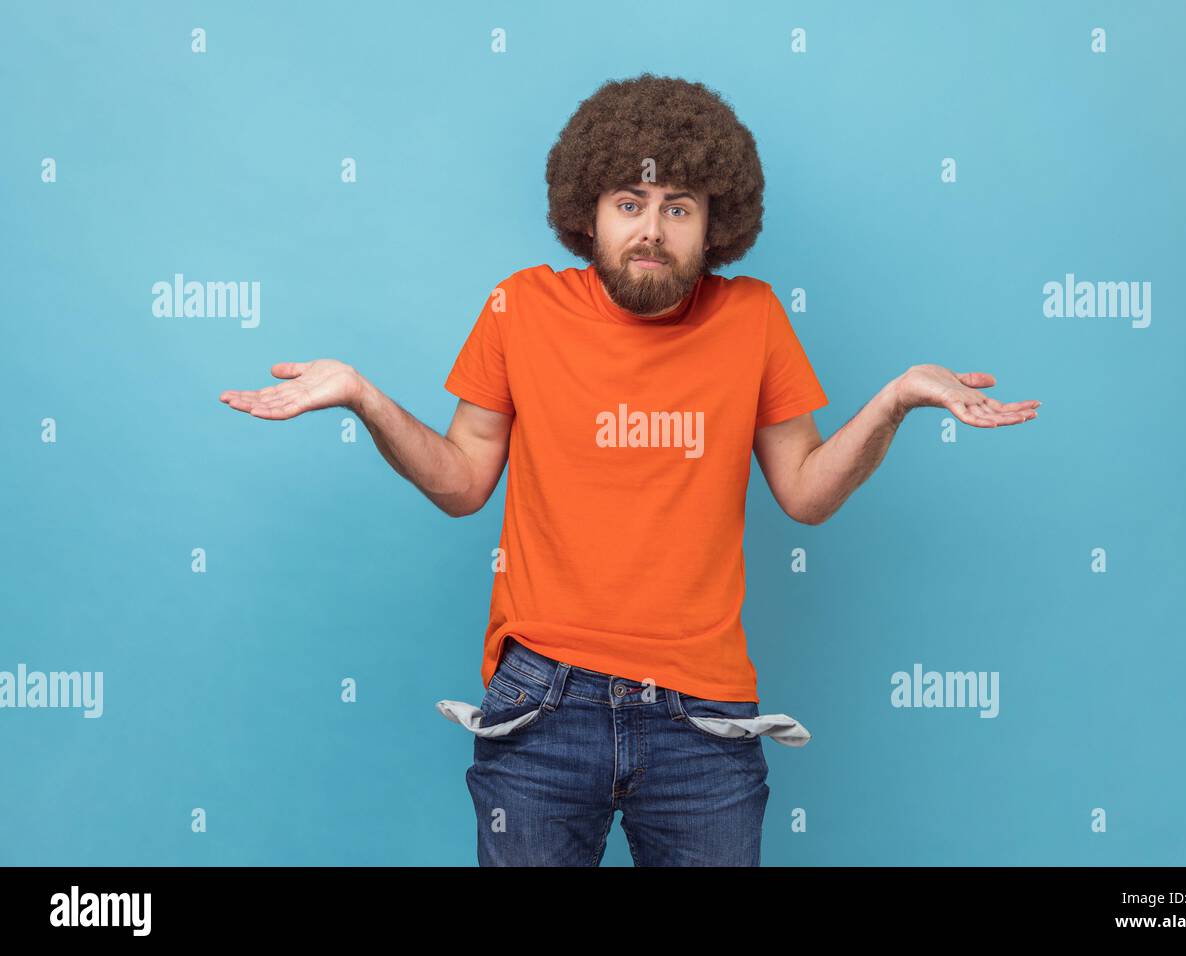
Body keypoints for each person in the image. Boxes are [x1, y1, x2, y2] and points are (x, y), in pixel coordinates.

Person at [218, 73, 1039, 866]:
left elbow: (807, 492)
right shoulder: (520, 308)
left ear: (715, 223)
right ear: (590, 213)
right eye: (630, 204)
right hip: (541, 705)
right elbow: (465, 479)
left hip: (704, 719)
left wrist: (893, 401)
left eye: (677, 208)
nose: (652, 229)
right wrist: (365, 398)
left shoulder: (752, 318)